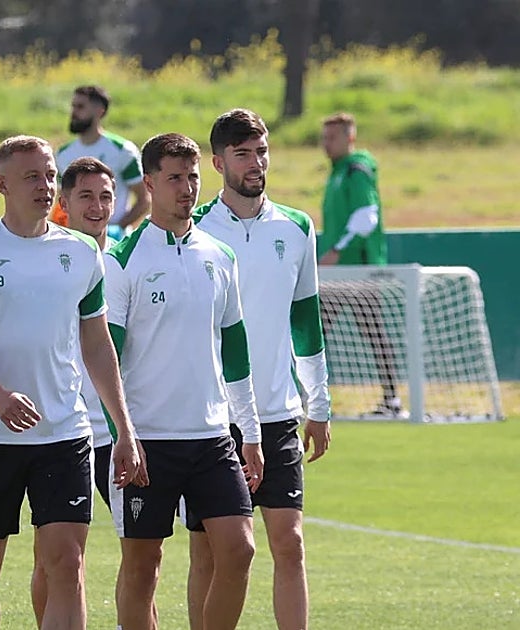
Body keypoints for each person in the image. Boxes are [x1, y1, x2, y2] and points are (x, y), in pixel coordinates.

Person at [0, 135, 145, 629]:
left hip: (64, 435)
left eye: (50, 175)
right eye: (32, 176)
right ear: (1, 184)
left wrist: (124, 429)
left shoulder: (81, 252)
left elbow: (97, 346)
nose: (46, 185)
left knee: (67, 566)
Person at [105, 133, 263, 630]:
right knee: (143, 567)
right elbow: (103, 359)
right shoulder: (123, 260)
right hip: (147, 440)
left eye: (193, 177)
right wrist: (123, 435)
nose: (187, 188)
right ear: (149, 183)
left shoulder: (220, 255)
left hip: (212, 437)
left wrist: (251, 432)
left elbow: (234, 351)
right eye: (174, 178)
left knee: (238, 551)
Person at [191, 109, 333, 630]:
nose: (256, 164)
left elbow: (306, 322)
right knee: (210, 553)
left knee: (289, 543)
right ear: (219, 161)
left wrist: (318, 405)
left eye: (262, 152)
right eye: (243, 154)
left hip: (278, 412)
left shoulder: (296, 227)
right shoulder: (197, 229)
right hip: (213, 419)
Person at [28, 156, 123, 625]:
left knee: (143, 551)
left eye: (105, 196)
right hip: (58, 426)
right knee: (55, 557)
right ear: (64, 202)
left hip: (116, 432)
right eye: (86, 196)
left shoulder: (127, 258)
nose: (98, 206)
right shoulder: (42, 256)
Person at [318, 112, 401, 418]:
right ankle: (313, 397)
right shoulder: (338, 171)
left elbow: (367, 215)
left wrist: (337, 250)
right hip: (342, 270)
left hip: (358, 268)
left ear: (350, 138)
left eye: (333, 137)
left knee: (367, 332)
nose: (326, 144)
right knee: (321, 330)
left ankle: (392, 400)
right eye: (324, 138)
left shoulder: (357, 168)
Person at [53, 85, 149, 237]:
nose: (73, 113)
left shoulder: (122, 150)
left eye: (80, 107)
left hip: (113, 242)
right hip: (74, 240)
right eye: (73, 106)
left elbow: (144, 199)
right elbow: (61, 200)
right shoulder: (63, 154)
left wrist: (117, 229)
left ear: (100, 111)